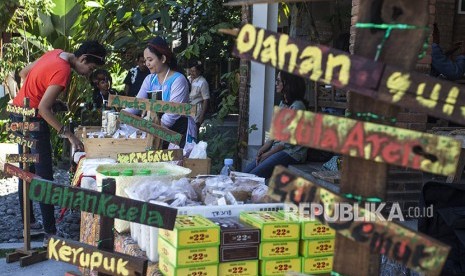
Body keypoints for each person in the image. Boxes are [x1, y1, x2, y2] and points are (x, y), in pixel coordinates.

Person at [10, 41, 106, 246]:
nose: (88, 73)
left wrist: (42, 96)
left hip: (17, 113)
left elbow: (24, 73)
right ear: (82, 58)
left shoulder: (56, 53)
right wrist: (69, 135)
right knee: (44, 175)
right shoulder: (63, 71)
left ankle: (30, 222)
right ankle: (50, 232)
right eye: (90, 68)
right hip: (33, 120)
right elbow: (44, 110)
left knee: (26, 170)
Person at [132, 36, 196, 148]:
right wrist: (121, 116)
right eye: (145, 60)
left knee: (176, 163)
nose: (147, 63)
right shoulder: (149, 79)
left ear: (163, 59)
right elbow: (137, 103)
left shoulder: (178, 80)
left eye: (150, 60)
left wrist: (151, 130)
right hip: (158, 130)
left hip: (178, 133)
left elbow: (172, 114)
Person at [243, 71, 308, 179]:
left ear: (287, 84)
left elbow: (286, 143)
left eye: (278, 81)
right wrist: (262, 149)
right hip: (278, 149)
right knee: (244, 173)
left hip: (292, 152)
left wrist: (268, 154)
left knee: (252, 177)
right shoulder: (282, 104)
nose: (275, 84)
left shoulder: (297, 107)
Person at [187, 60, 210, 129]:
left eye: (194, 71)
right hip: (186, 109)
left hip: (196, 111)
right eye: (190, 71)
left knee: (194, 129)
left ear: (199, 71)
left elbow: (206, 100)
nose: (191, 73)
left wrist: (201, 117)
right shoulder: (188, 79)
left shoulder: (203, 82)